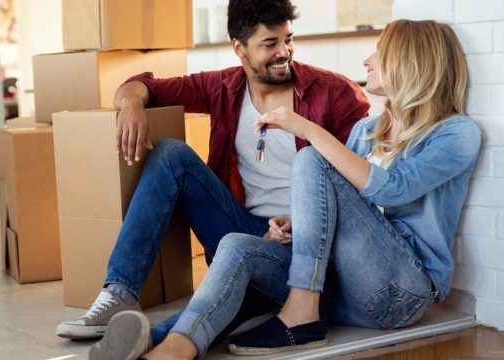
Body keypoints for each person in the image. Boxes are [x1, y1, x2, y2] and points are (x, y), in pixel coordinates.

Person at [92, 18, 482, 359]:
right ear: (239, 49)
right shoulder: (368, 131)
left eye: (378, 52)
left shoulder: (455, 132)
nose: (367, 61)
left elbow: (392, 189)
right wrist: (296, 223)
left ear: (410, 61)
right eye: (269, 42)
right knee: (236, 246)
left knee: (312, 158)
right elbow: (343, 205)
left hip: (402, 292)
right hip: (343, 289)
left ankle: (300, 313)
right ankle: (173, 347)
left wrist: (306, 128)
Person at [55, 0, 370, 342]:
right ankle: (120, 292)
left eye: (288, 39)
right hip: (242, 232)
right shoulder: (222, 87)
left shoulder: (335, 94)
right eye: (270, 44)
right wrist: (131, 103)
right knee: (170, 154)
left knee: (230, 303)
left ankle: (151, 341)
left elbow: (358, 189)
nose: (284, 52)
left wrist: (300, 225)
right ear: (239, 48)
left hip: (309, 250)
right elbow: (143, 85)